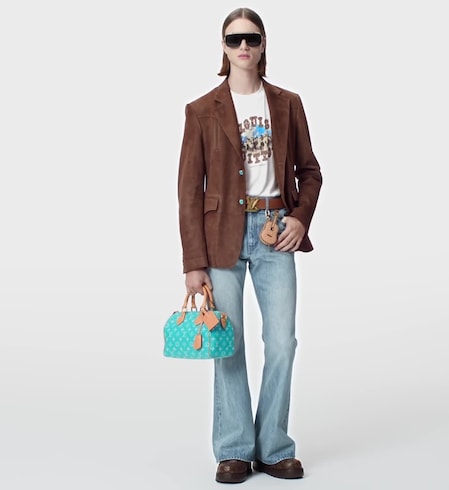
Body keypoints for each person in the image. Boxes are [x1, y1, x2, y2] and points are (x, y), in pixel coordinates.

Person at [176, 7, 323, 484]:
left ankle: (274, 446)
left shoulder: (287, 103)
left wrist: (299, 218)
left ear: (263, 45)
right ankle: (235, 448)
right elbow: (189, 192)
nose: (244, 46)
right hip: (221, 236)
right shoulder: (201, 110)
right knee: (229, 342)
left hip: (276, 231)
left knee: (282, 342)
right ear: (223, 46)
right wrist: (193, 262)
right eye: (235, 38)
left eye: (252, 38)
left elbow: (310, 171)